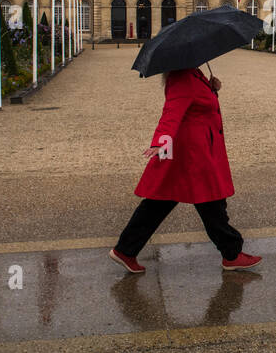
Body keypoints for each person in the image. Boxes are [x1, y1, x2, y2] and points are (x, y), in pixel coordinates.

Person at [110, 65, 261, 274]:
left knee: (160, 202)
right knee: (210, 200)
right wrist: (159, 142)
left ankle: (126, 250)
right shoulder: (183, 77)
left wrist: (211, 89)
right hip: (193, 152)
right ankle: (232, 253)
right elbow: (171, 111)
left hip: (193, 148)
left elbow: (197, 103)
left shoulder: (192, 73)